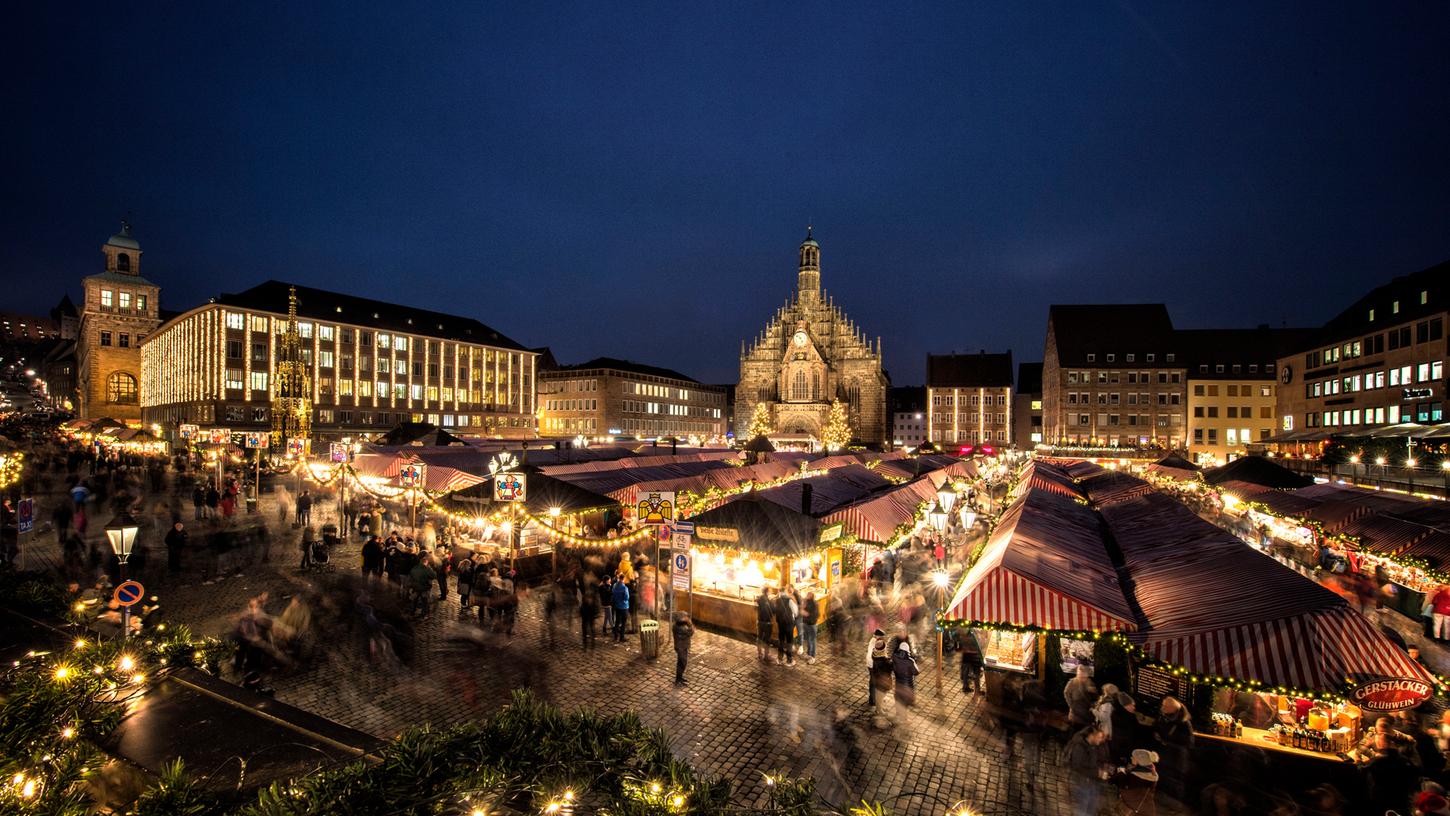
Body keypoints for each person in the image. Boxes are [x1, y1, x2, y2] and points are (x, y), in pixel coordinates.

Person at [1364, 734, 1419, 815]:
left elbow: (1362, 769)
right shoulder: (1402, 758)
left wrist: (1358, 760)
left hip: (1382, 796)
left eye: (1377, 741)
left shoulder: (1378, 760)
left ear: (1381, 744)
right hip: (1401, 795)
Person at [1154, 696, 1194, 801]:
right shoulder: (1163, 718)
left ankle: (1176, 803)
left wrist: (1167, 740)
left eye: (1165, 706)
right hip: (1166, 756)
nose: (1162, 708)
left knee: (1175, 782)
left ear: (1172, 708)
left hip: (1177, 758)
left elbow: (1189, 742)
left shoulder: (1184, 723)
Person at [1063, 726, 1110, 816]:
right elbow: (1077, 767)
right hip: (1081, 782)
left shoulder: (1093, 745)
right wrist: (1097, 773)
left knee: (1091, 807)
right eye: (1099, 737)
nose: (1101, 740)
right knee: (1083, 808)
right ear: (1091, 736)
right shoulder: (1080, 747)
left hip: (1090, 781)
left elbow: (1092, 762)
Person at [1110, 748, 1159, 815]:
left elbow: (1123, 785)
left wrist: (1120, 773)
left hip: (1135, 811)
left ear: (1140, 761)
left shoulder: (1137, 776)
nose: (1131, 758)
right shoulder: (1150, 774)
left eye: (1134, 757)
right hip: (1147, 810)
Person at [1109, 691, 1140, 763]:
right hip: (1124, 748)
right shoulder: (1127, 718)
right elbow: (1132, 733)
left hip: (1119, 747)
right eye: (1132, 705)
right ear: (1125, 706)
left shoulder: (1116, 714)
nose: (1134, 707)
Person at [892, 636, 920, 706]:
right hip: (908, 683)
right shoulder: (910, 661)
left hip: (898, 681)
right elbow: (916, 672)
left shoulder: (894, 656)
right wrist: (914, 662)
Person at [867, 628, 892, 707]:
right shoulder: (875, 643)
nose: (883, 638)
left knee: (873, 682)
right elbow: (876, 655)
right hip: (873, 665)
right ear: (877, 636)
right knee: (873, 683)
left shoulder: (875, 641)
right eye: (881, 636)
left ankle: (873, 699)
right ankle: (873, 700)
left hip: (872, 664)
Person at [774, 589, 796, 665]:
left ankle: (780, 659)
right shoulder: (789, 600)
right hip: (789, 624)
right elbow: (796, 612)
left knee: (781, 640)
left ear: (779, 592)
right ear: (785, 592)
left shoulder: (777, 600)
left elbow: (775, 611)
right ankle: (789, 660)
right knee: (789, 641)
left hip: (780, 623)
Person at [672, 611, 695, 685]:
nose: (687, 618)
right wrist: (690, 623)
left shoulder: (677, 626)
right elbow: (691, 632)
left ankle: (679, 678)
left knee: (681, 663)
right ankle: (678, 679)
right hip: (681, 647)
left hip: (681, 646)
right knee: (683, 663)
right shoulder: (682, 628)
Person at [800, 590, 819, 663]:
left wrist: (806, 614)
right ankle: (809, 654)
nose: (806, 596)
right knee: (808, 640)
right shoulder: (806, 602)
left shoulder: (814, 604)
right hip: (806, 623)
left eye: (808, 595)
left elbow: (815, 615)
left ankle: (813, 657)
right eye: (807, 594)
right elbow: (802, 609)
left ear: (812, 596)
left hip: (811, 624)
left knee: (812, 640)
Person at [756, 589, 775, 661]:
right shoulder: (768, 601)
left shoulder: (759, 599)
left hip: (760, 622)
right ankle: (766, 656)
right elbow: (773, 610)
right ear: (767, 592)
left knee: (759, 638)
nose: (771, 592)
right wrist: (772, 601)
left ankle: (759, 653)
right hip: (767, 623)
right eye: (770, 591)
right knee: (767, 639)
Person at [610, 574, 630, 643]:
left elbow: (613, 595)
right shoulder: (625, 588)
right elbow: (626, 598)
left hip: (617, 606)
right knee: (623, 622)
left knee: (617, 621)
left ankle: (615, 636)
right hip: (624, 607)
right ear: (623, 579)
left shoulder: (614, 585)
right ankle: (622, 637)